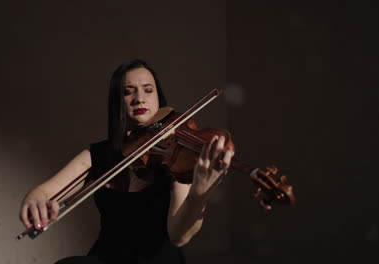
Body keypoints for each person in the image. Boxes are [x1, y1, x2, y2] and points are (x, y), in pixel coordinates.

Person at [19, 59, 234, 264]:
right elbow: (44, 193)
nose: (139, 98)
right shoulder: (99, 154)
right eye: (128, 91)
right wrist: (34, 200)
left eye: (148, 90)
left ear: (159, 99)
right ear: (117, 102)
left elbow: (179, 236)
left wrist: (199, 195)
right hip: (107, 258)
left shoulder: (174, 157)